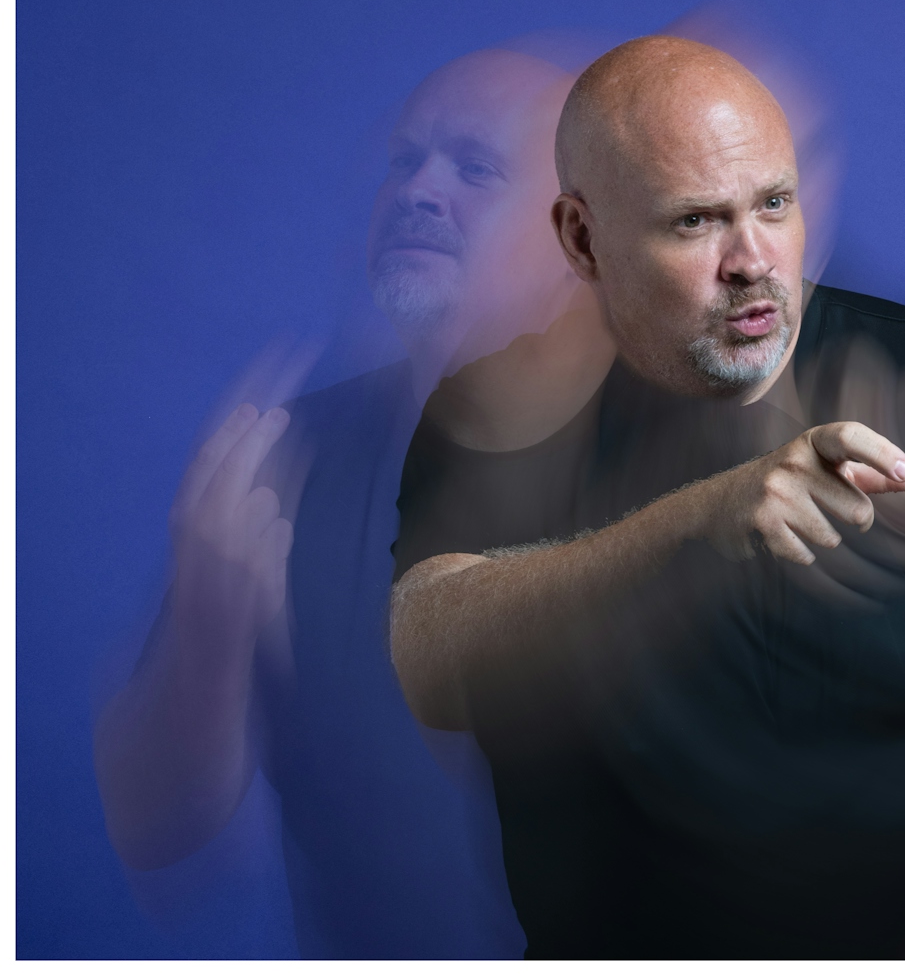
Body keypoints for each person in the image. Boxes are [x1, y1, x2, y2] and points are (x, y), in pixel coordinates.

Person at [390, 36, 905, 960]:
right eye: (695, 222)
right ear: (582, 237)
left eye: (773, 203)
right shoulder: (501, 412)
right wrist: (706, 522)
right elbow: (430, 658)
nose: (754, 260)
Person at [92, 47, 614, 958]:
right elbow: (160, 844)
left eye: (474, 166)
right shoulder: (283, 462)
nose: (416, 189)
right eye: (404, 161)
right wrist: (212, 635)